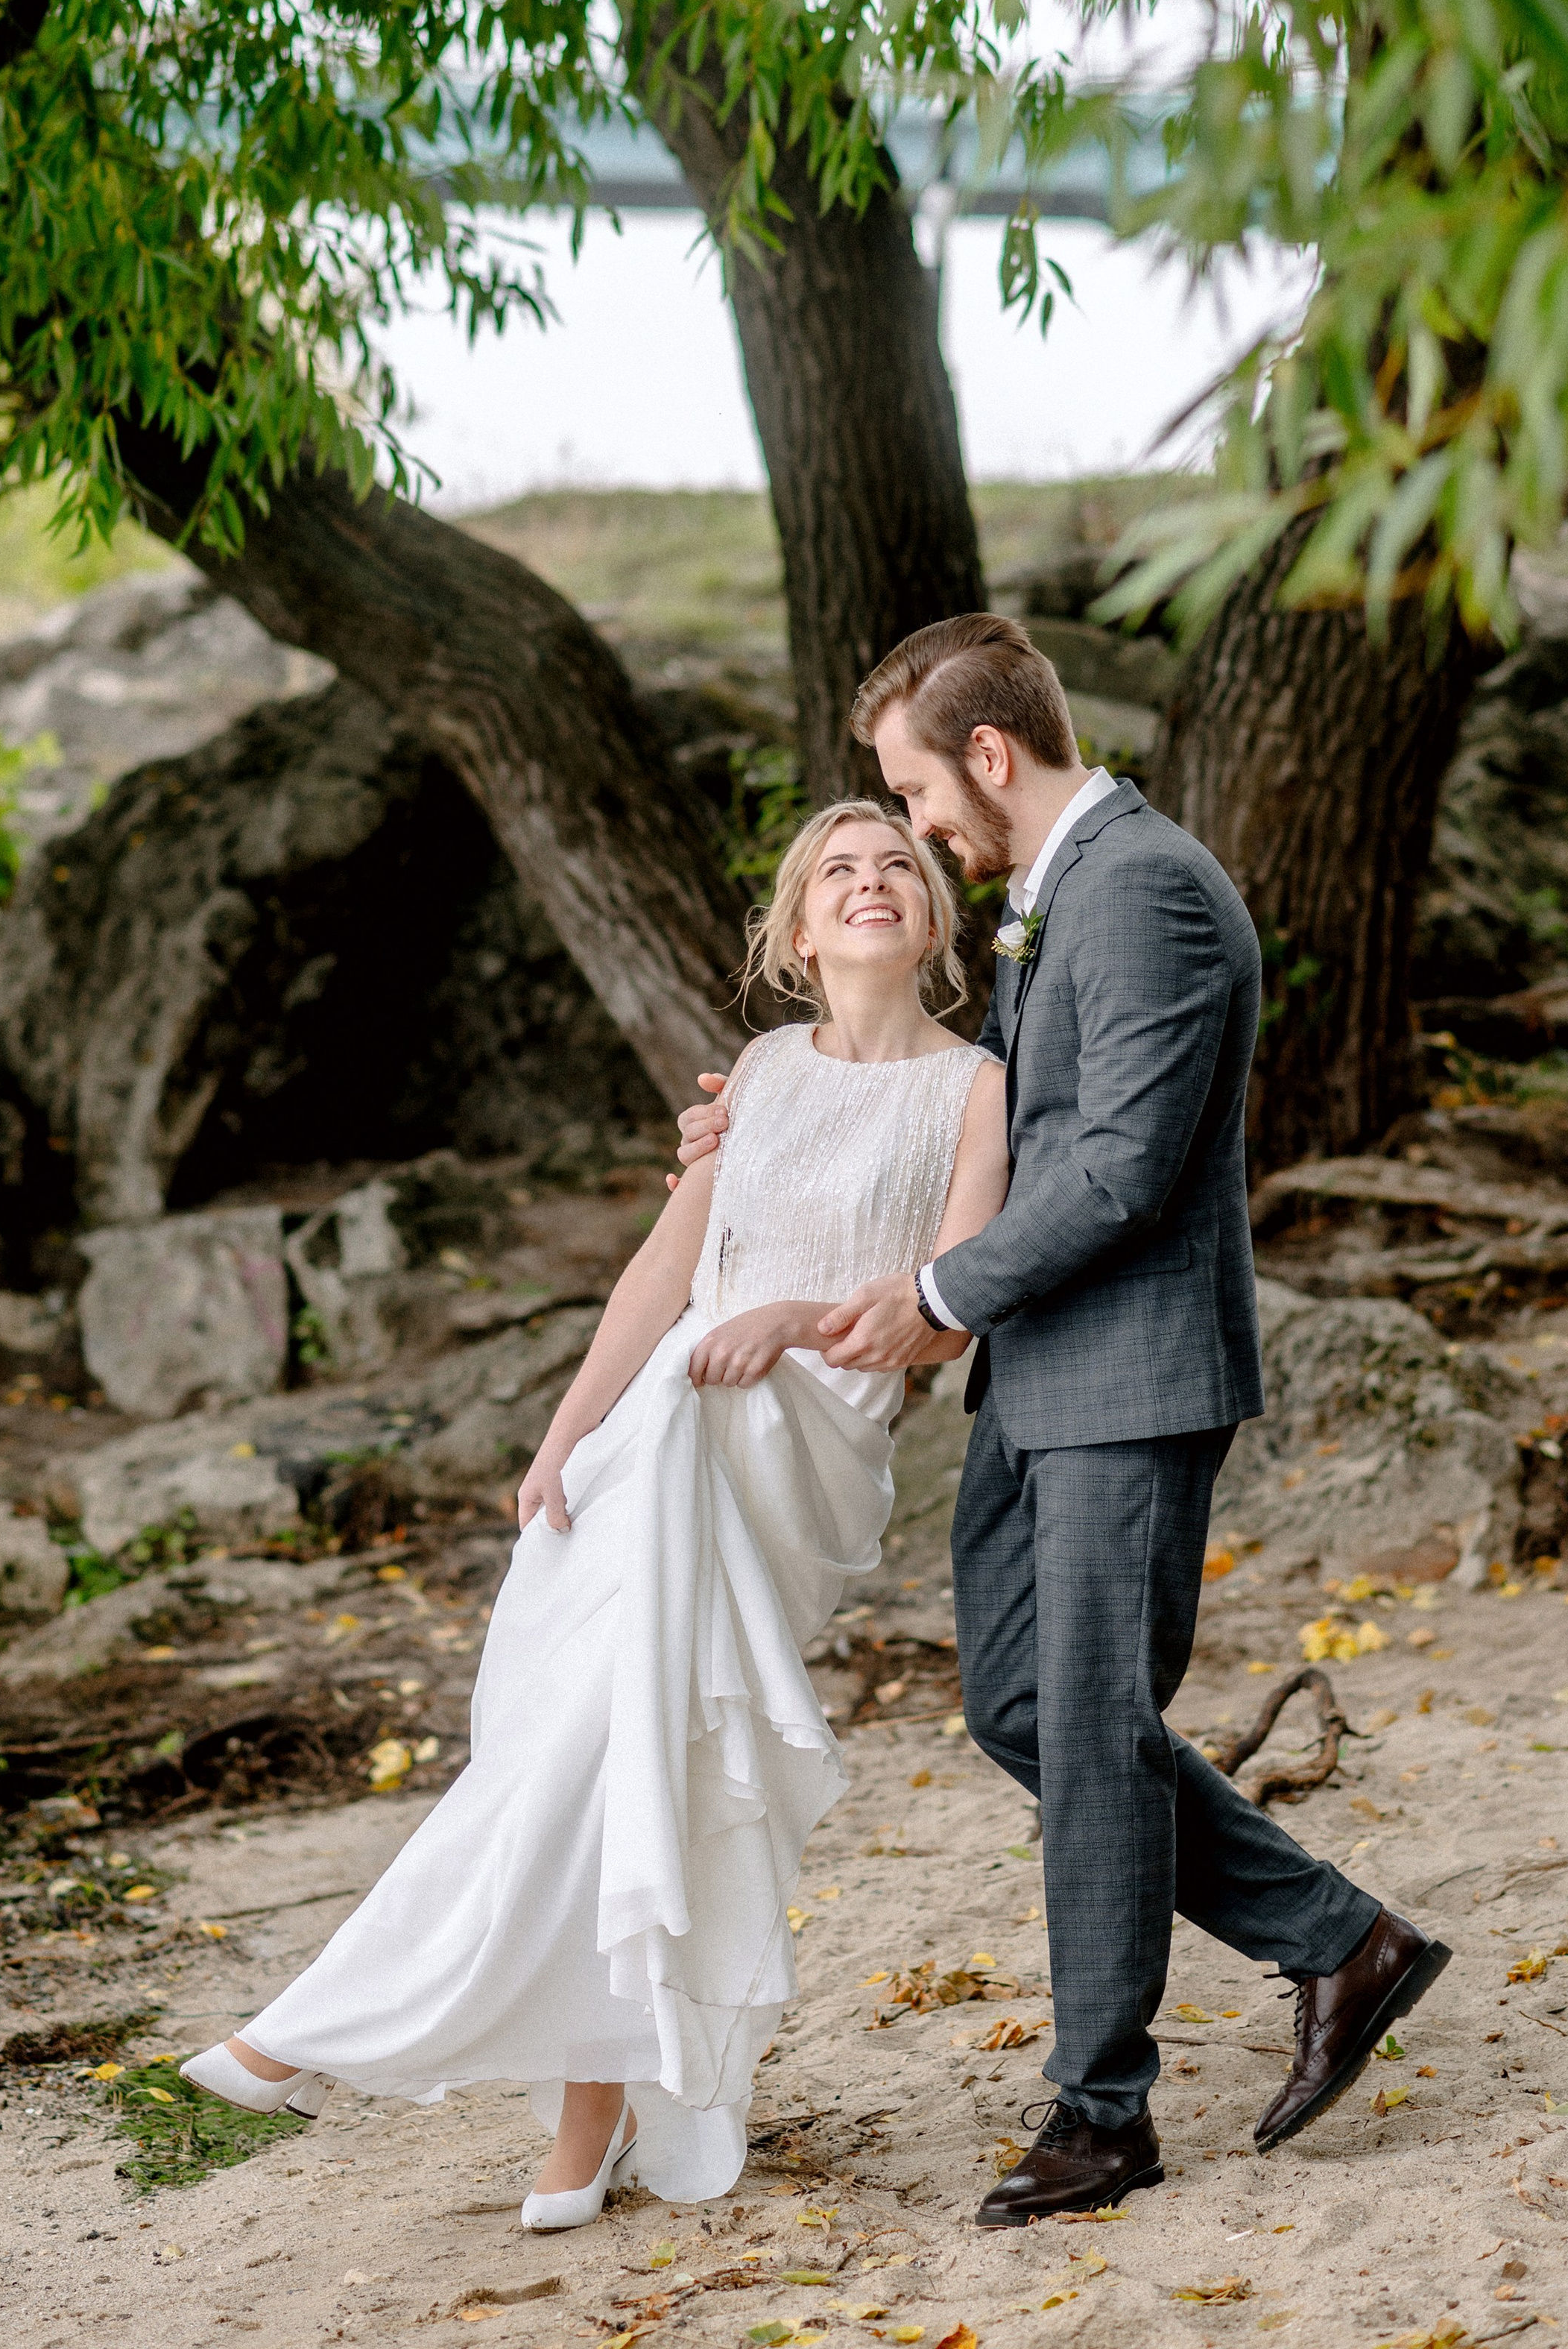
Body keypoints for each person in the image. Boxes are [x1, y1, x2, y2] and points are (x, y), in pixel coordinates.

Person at [677, 615, 1451, 2226]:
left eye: (911, 788)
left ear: (984, 752)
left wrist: (940, 1292)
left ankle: (1101, 2111)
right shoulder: (1059, 898)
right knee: (1022, 1708)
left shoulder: (1149, 888)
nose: (913, 829)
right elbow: (993, 1116)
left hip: (1130, 1380)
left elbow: (1116, 1168)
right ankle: (1336, 1936)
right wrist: (774, 1125)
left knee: (1093, 1733)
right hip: (1037, 1373)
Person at [180, 799, 1009, 2227]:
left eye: (896, 869)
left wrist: (800, 1318)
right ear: (800, 930)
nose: (869, 886)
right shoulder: (755, 1070)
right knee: (595, 1745)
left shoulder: (975, 1087)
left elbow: (950, 1315)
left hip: (791, 1455)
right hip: (656, 1437)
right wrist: (563, 1437)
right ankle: (587, 2115)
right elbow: (660, 1269)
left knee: (633, 1755)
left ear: (933, 917)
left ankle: (314, 2031)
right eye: (837, 874)